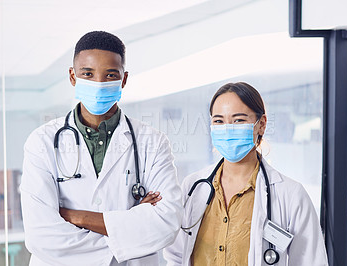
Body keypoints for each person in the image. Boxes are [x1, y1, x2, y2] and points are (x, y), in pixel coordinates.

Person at [20, 31, 182, 266]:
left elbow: (166, 225)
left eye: (110, 75)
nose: (99, 83)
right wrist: (129, 228)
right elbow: (41, 237)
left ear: (123, 79)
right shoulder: (41, 142)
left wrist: (77, 217)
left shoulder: (153, 142)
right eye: (88, 74)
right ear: (72, 77)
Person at [163, 82, 328, 265]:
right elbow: (176, 256)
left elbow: (312, 261)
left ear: (261, 125)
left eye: (238, 120)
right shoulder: (193, 186)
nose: (227, 128)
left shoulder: (290, 195)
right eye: (219, 121)